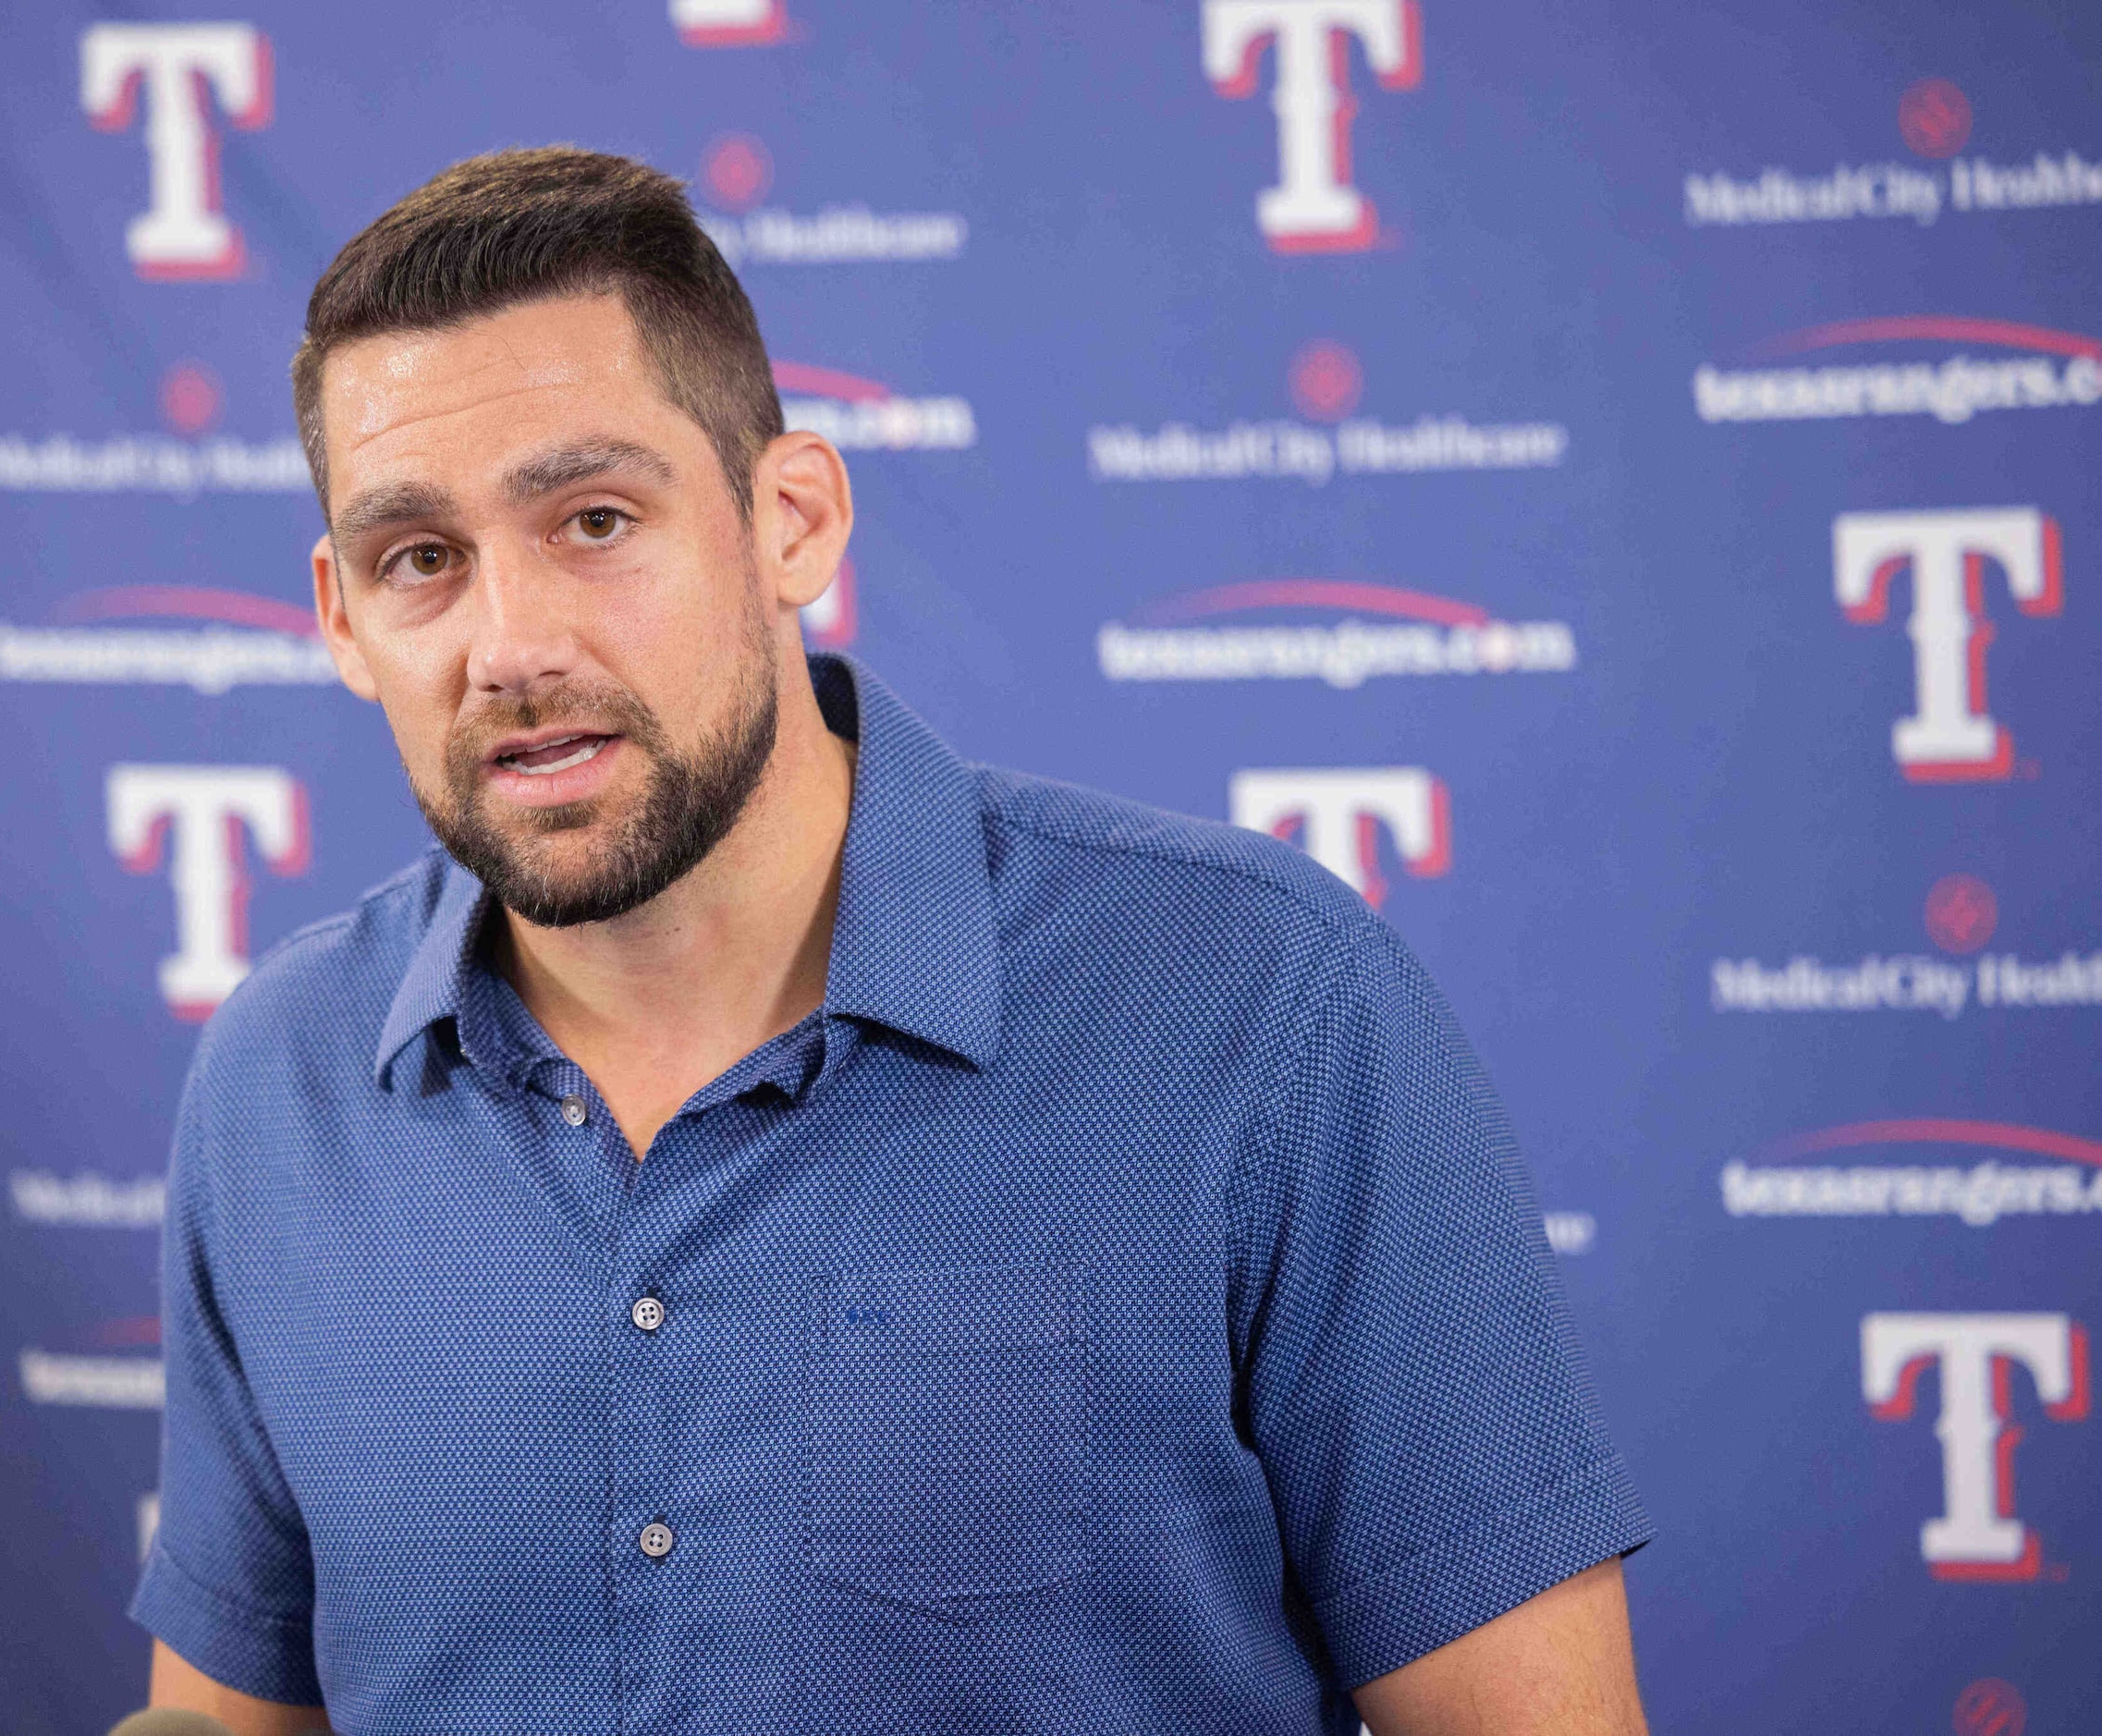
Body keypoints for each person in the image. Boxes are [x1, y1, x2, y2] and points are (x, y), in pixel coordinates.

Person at [131, 146, 1652, 1736]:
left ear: (792, 519)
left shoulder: (1264, 1006)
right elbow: (227, 1718)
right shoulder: (278, 1075)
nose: (510, 644)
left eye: (593, 519)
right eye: (420, 560)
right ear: (340, 619)